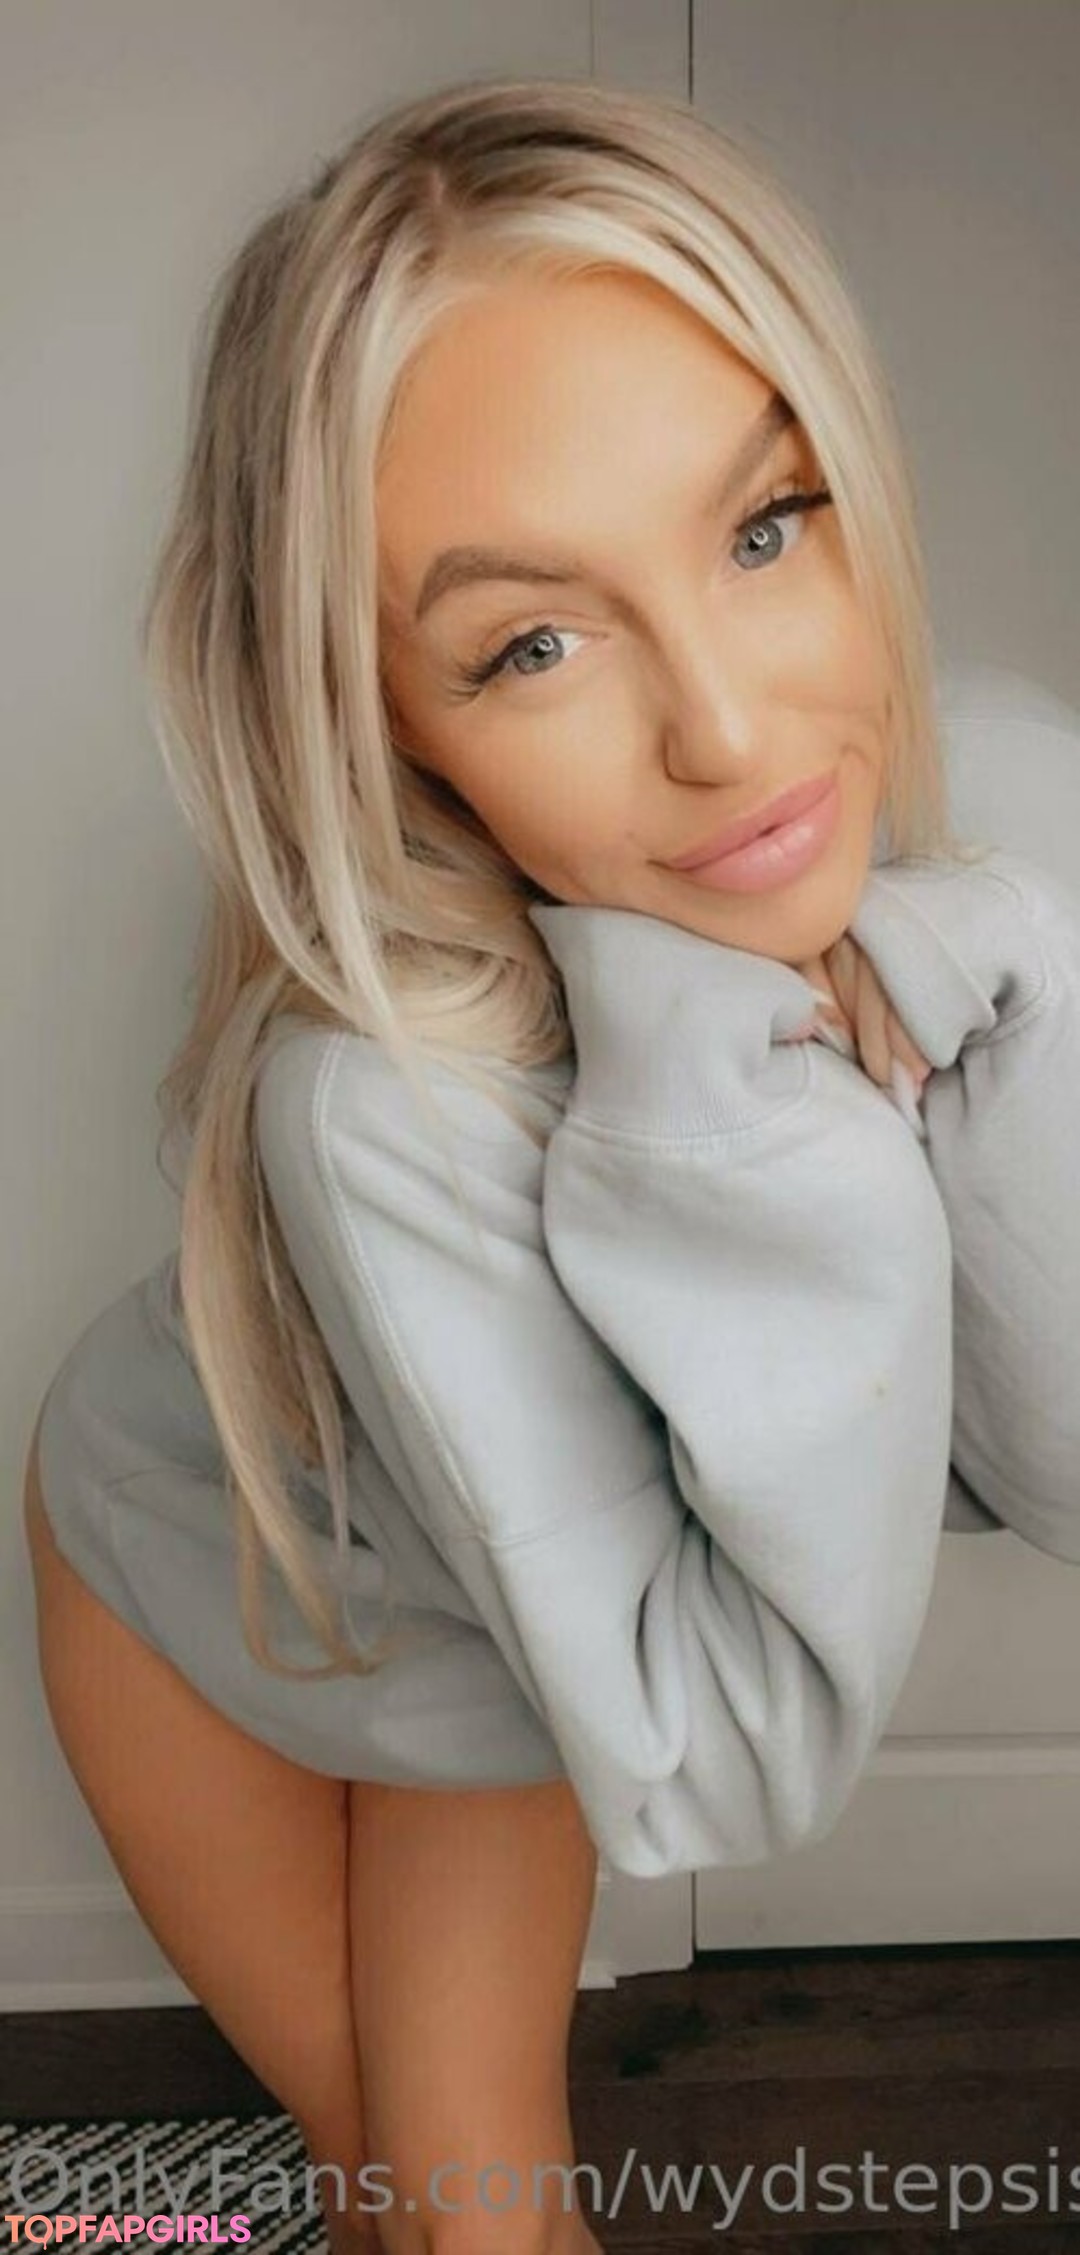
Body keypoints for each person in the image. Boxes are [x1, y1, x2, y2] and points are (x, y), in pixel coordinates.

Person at [22, 74, 1080, 2255]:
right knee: (445, 2221)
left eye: (763, 526)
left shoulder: (996, 820)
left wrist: (975, 958)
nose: (730, 731)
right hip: (220, 1552)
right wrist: (741, 1081)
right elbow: (729, 1757)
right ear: (384, 723)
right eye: (533, 642)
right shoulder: (387, 1105)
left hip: (535, 1605)